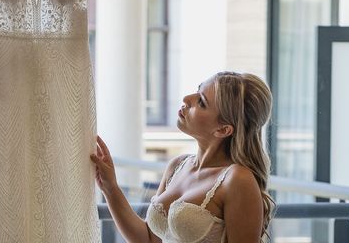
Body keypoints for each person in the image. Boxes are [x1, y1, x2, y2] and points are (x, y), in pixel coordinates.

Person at [90, 71, 274, 243]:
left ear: (223, 129)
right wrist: (110, 187)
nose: (187, 99)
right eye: (197, 91)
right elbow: (148, 239)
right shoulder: (177, 166)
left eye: (201, 102)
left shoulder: (238, 179)